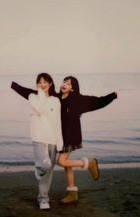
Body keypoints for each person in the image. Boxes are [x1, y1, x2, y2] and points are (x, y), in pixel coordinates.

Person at [11, 75, 117, 204]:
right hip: (61, 137)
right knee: (67, 165)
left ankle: (89, 163)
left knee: (61, 161)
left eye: (68, 83)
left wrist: (112, 96)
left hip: (71, 137)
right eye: (64, 82)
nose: (64, 84)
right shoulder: (57, 98)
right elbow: (33, 93)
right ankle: (72, 192)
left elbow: (97, 102)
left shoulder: (77, 100)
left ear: (73, 88)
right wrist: (15, 86)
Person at [11, 73, 63, 210]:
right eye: (39, 82)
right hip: (39, 137)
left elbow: (57, 122)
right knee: (44, 167)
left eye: (45, 82)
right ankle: (38, 169)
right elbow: (40, 108)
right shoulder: (33, 97)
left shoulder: (55, 100)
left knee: (49, 171)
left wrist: (59, 142)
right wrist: (40, 93)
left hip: (52, 138)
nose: (42, 84)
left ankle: (43, 199)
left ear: (50, 83)